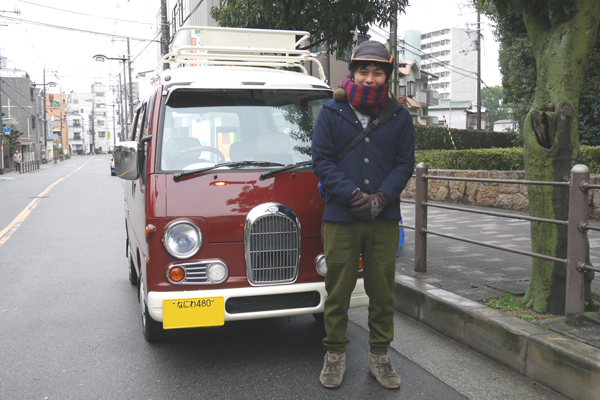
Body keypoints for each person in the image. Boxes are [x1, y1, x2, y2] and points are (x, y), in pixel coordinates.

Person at [311, 40, 415, 390]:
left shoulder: (399, 116)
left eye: (377, 72)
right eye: (363, 71)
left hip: (383, 219)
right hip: (341, 217)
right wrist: (353, 194)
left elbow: (404, 163)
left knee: (382, 291)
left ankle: (380, 357)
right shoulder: (330, 112)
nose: (370, 78)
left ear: (386, 76)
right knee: (337, 290)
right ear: (353, 73)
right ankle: (335, 354)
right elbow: (321, 160)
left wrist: (382, 197)